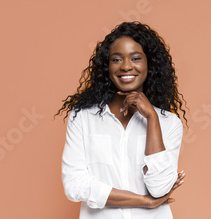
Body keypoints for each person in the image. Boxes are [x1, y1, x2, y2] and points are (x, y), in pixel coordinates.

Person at [54, 21, 188, 219]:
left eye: (135, 58)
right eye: (116, 59)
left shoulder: (169, 123)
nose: (126, 66)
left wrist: (152, 118)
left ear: (149, 64)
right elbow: (74, 185)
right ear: (106, 67)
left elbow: (159, 188)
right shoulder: (82, 118)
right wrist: (144, 202)